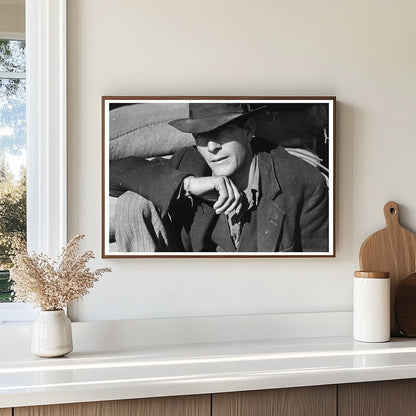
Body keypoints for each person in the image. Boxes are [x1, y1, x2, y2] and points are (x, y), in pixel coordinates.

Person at [110, 103, 329, 253]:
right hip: (194, 296)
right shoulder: (190, 162)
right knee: (133, 203)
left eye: (222, 131)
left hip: (265, 299)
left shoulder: (302, 182)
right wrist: (188, 184)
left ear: (248, 131)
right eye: (201, 136)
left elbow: (319, 269)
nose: (212, 147)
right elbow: (114, 173)